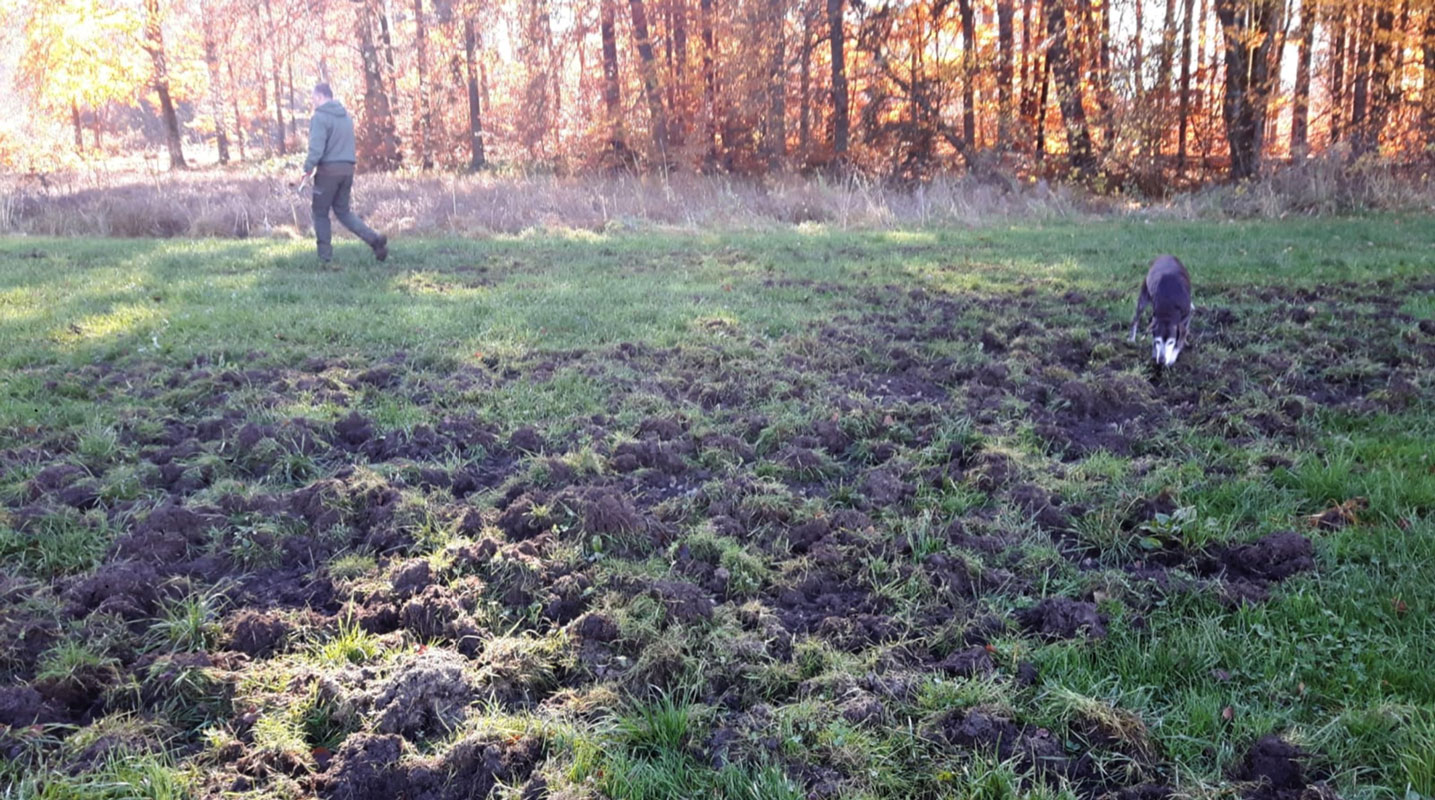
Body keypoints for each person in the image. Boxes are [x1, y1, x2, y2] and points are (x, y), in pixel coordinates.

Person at [299, 83, 388, 264]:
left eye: (313, 98)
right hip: (347, 170)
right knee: (343, 211)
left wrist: (306, 169)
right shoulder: (346, 117)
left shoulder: (319, 117)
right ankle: (374, 240)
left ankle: (325, 258)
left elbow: (316, 149)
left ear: (320, 97)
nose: (312, 101)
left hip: (328, 172)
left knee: (320, 212)